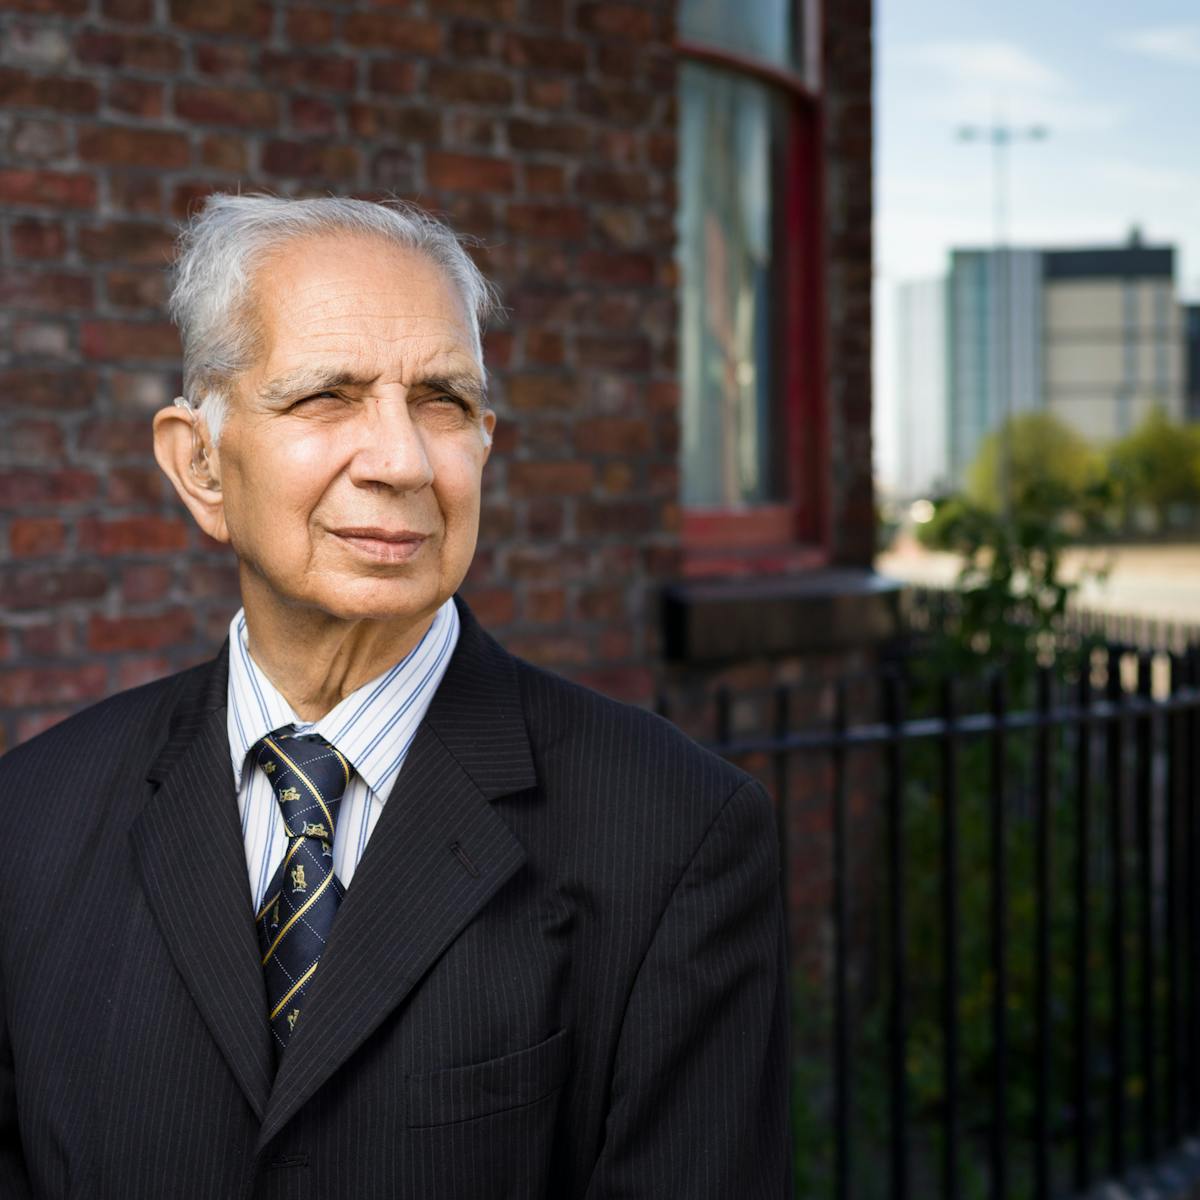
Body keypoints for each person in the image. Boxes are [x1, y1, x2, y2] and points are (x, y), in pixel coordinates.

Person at [0, 194, 791, 1198]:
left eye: (443, 403)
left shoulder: (677, 834)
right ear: (199, 464)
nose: (403, 461)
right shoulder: (28, 822)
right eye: (327, 396)